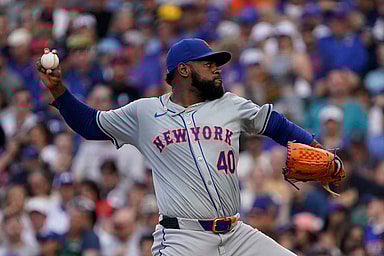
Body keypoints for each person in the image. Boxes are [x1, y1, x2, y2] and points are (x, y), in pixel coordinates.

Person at [36, 38, 325, 256]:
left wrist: (315, 146)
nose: (216, 69)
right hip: (182, 239)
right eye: (208, 63)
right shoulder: (145, 113)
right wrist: (59, 91)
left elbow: (274, 124)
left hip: (236, 234)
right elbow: (90, 125)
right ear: (184, 70)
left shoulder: (230, 105)